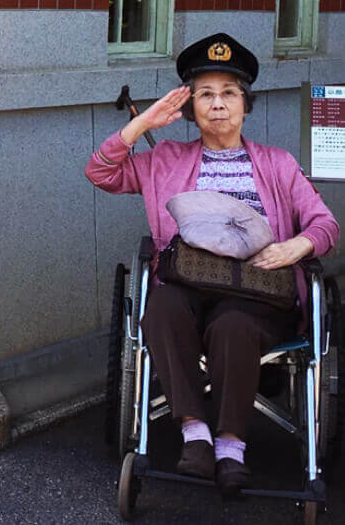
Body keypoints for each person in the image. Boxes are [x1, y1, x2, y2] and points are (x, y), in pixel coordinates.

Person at [85, 33, 339, 495]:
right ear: (190, 107)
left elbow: (325, 225)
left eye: (228, 93)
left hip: (258, 291)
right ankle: (195, 434)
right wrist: (140, 125)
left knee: (233, 326)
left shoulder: (278, 164)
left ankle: (230, 446)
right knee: (159, 309)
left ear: (246, 104)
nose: (217, 104)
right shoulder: (165, 159)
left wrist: (294, 248)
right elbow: (100, 172)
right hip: (189, 282)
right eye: (205, 94)